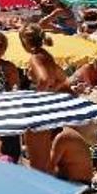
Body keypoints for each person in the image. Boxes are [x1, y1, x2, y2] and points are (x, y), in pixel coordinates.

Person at [18, 23, 70, 172]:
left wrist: (37, 101)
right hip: (49, 111)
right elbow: (62, 78)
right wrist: (51, 92)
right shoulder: (46, 55)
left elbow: (44, 80)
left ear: (25, 41)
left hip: (38, 113)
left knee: (37, 162)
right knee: (44, 158)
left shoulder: (35, 58)